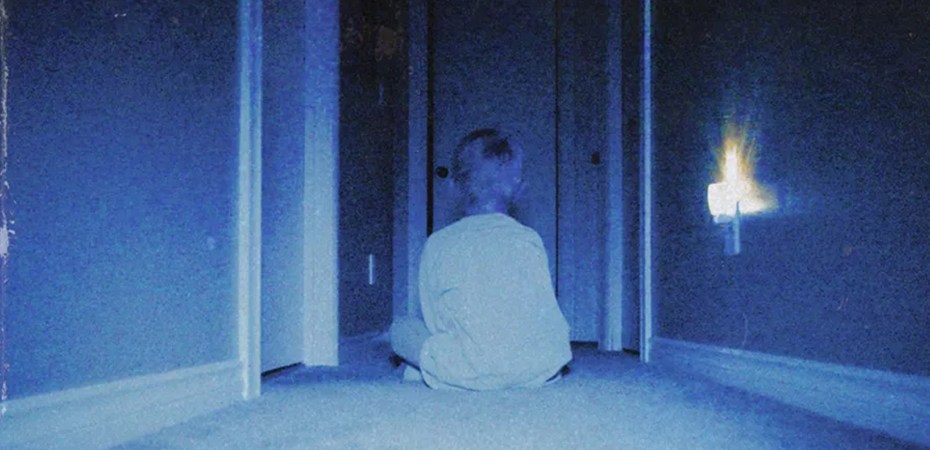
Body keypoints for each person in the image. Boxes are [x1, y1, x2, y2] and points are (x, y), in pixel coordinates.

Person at [390, 128, 572, 390]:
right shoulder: (528, 239)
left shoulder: (438, 243)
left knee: (401, 328)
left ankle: (428, 369)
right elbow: (542, 309)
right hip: (535, 367)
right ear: (518, 189)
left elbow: (435, 318)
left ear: (452, 187)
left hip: (469, 368)